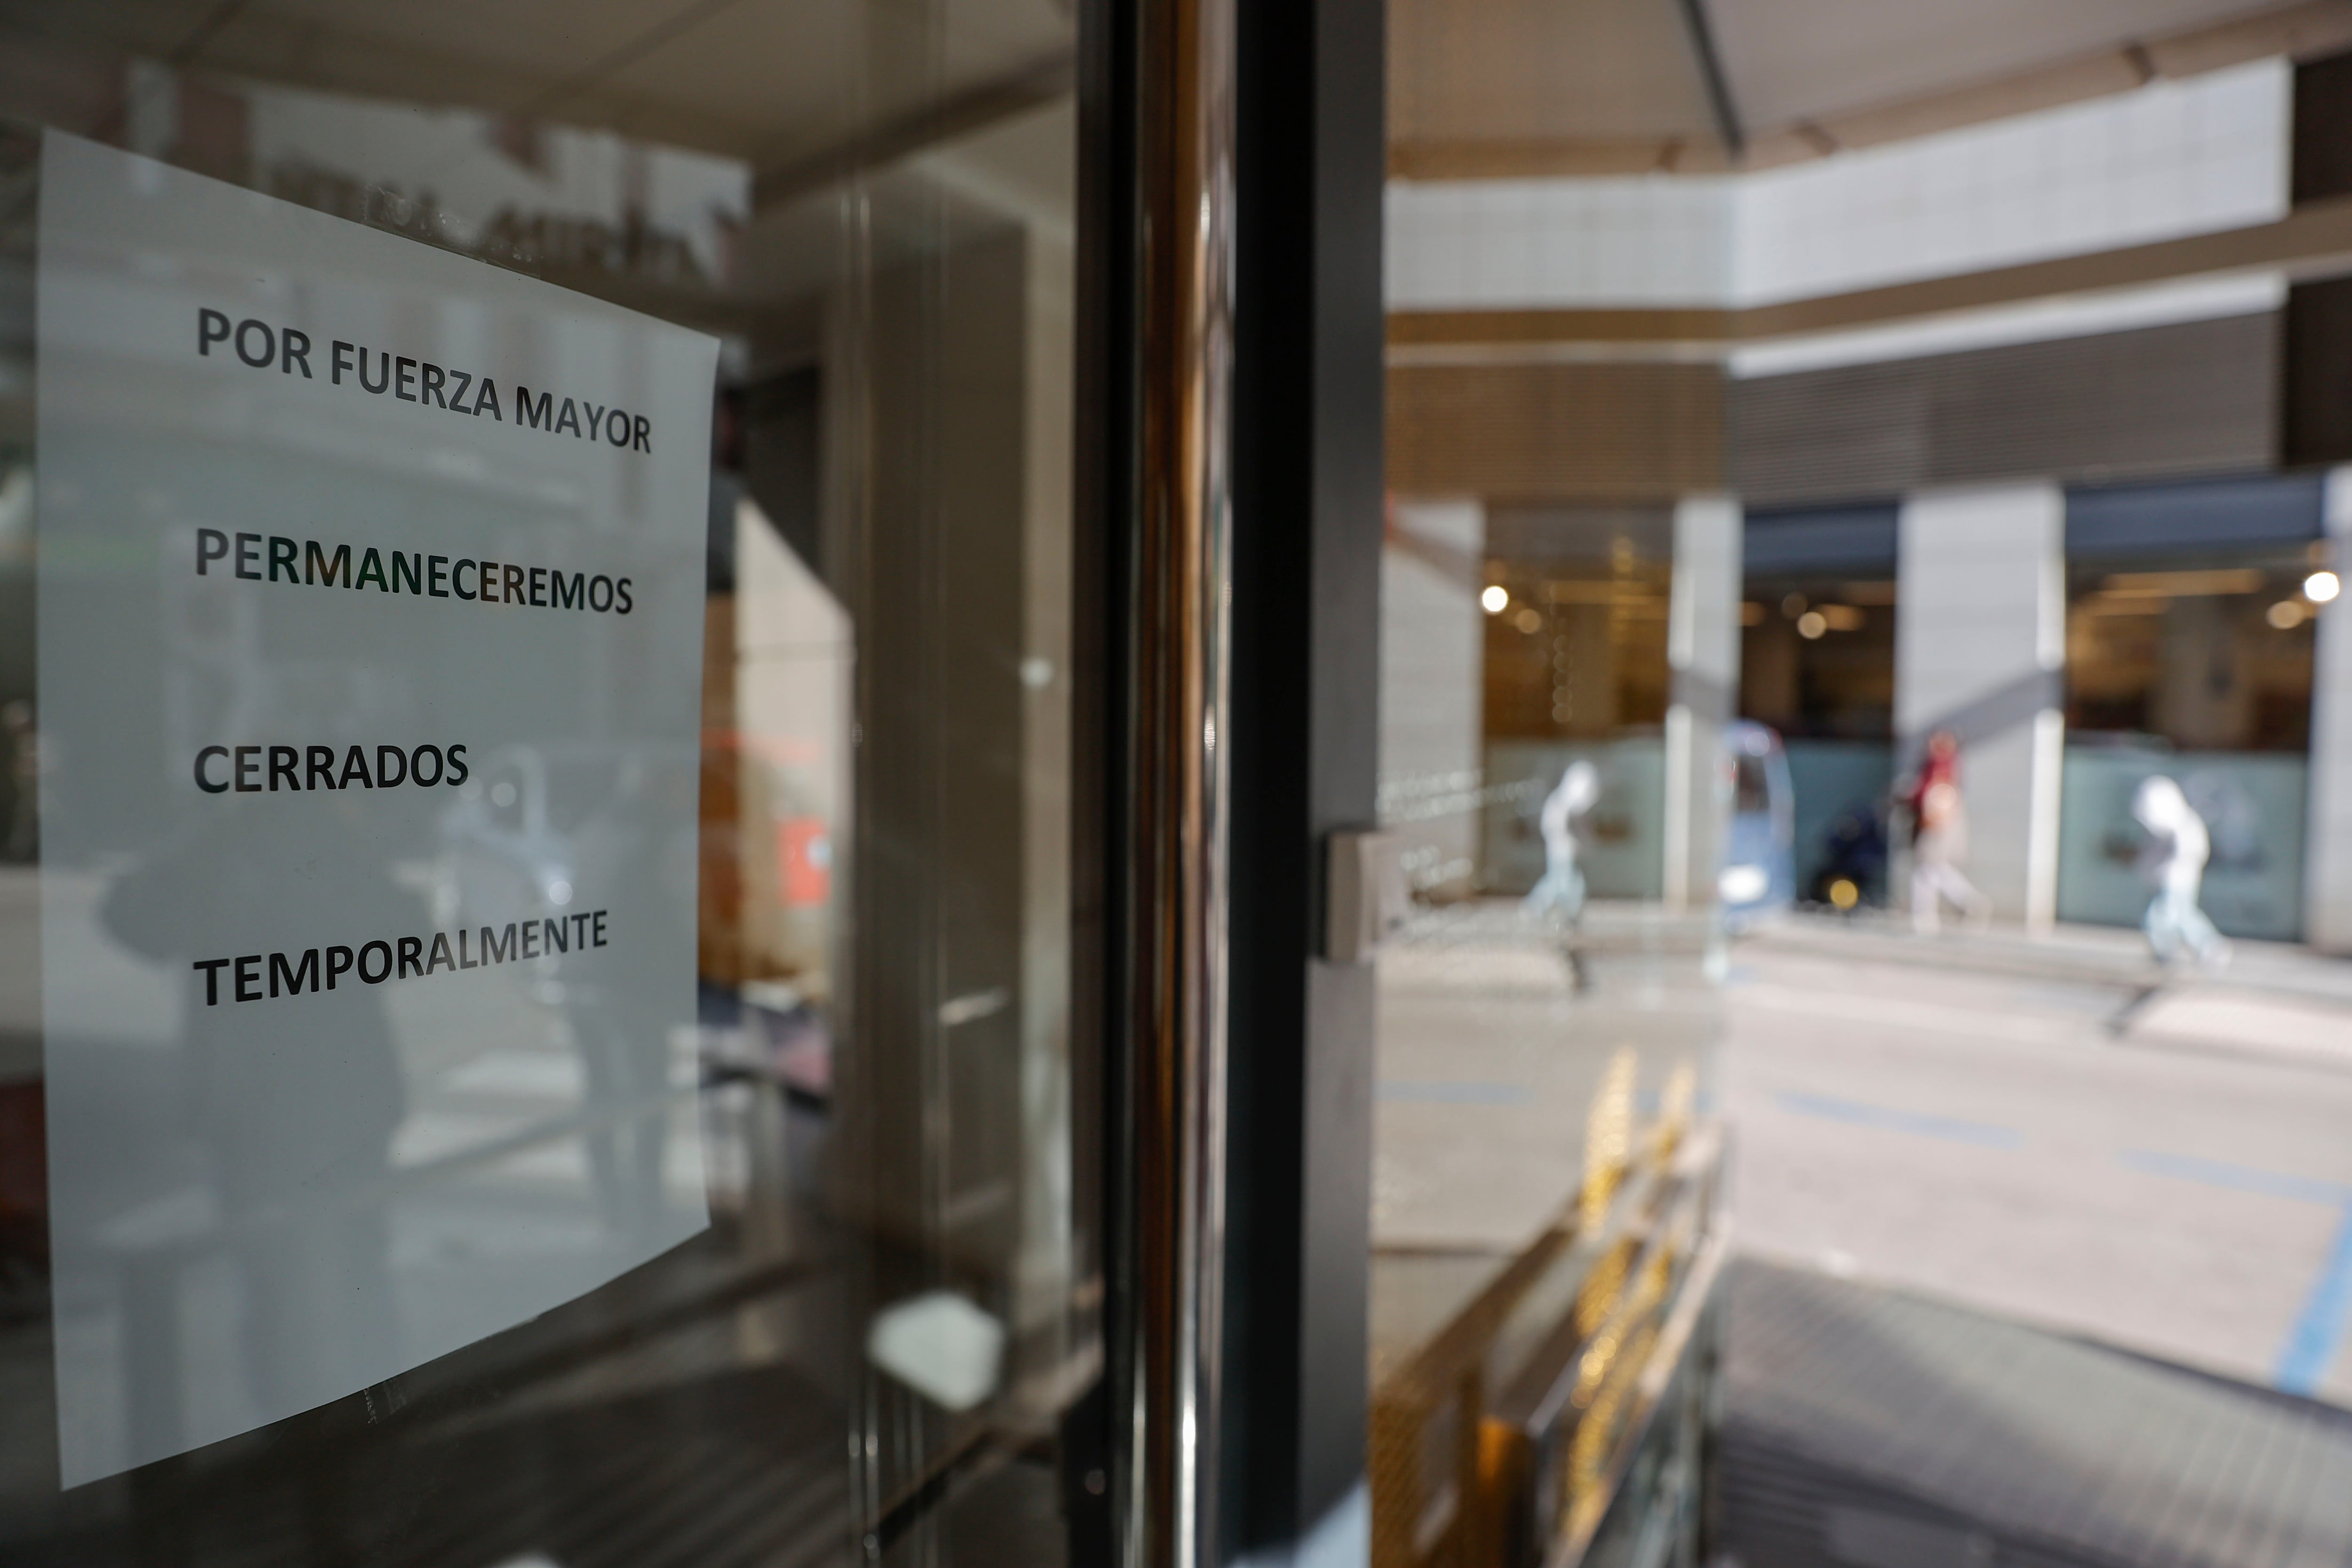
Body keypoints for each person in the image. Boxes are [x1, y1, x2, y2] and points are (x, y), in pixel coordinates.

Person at [2132, 774, 2230, 971]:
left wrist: (2173, 868)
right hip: (2169, 880)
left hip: (2179, 881)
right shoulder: (2170, 828)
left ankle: (2208, 947)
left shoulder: (2185, 825)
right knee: (2178, 916)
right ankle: (2178, 953)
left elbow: (2191, 854)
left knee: (2165, 916)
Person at [1904, 730, 1990, 934]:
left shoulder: (1941, 766)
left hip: (1937, 825)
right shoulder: (1937, 765)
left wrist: (1932, 818)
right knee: (1933, 870)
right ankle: (1967, 905)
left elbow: (1938, 796)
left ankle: (1929, 915)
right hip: (1935, 824)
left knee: (1928, 870)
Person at [1524, 760, 1599, 924]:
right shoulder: (1563, 802)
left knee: (1563, 882)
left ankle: (1560, 912)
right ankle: (1542, 909)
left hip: (1566, 851)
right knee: (1564, 883)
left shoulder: (1564, 801)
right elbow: (1556, 827)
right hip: (1563, 851)